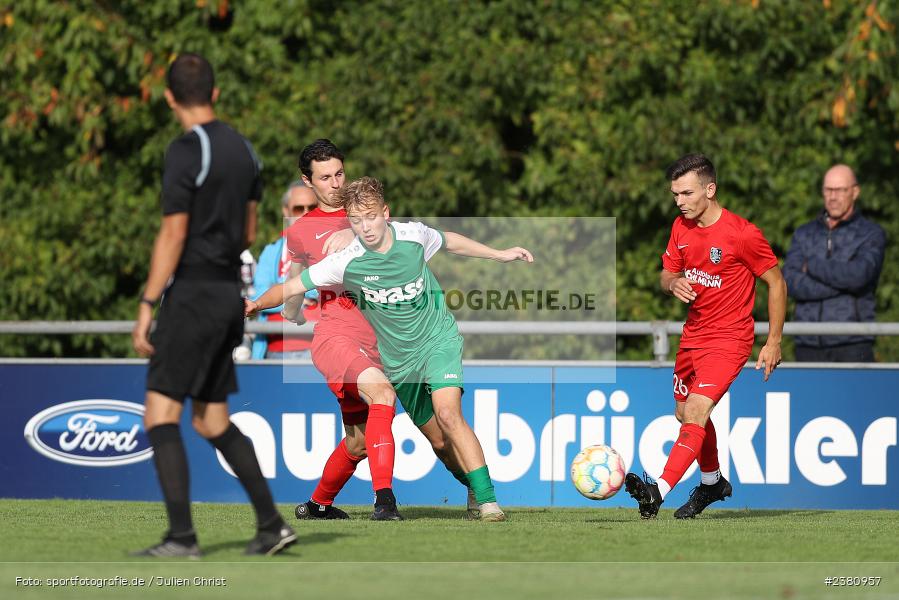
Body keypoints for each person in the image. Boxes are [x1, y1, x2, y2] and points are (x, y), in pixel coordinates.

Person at [247, 176, 535, 522]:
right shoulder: (347, 260)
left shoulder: (413, 236)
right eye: (356, 220)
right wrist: (254, 304)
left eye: (370, 217)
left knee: (448, 413)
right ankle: (471, 484)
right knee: (441, 445)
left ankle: (489, 503)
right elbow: (292, 285)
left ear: (386, 212)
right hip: (399, 363)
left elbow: (450, 241)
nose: (365, 227)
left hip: (437, 340)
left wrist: (499, 254)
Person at [130, 53, 296, 557]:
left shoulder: (186, 149)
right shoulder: (245, 151)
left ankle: (182, 538)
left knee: (159, 413)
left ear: (169, 97)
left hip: (195, 295)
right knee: (210, 420)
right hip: (229, 296)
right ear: (216, 94)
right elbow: (248, 230)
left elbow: (173, 231)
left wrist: (146, 303)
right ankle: (272, 526)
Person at [625, 153, 786, 519]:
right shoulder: (680, 228)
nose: (679, 202)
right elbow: (665, 274)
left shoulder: (742, 234)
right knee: (685, 413)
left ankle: (658, 490)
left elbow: (776, 281)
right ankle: (713, 482)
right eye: (675, 195)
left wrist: (773, 340)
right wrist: (673, 284)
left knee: (697, 409)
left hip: (730, 339)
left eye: (686, 193)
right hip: (693, 335)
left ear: (709, 189)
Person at [279, 140, 403, 521]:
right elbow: (297, 276)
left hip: (378, 338)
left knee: (359, 441)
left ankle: (318, 505)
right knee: (382, 394)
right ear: (308, 180)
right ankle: (384, 501)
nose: (335, 183)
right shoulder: (300, 231)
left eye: (339, 173)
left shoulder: (366, 214)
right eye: (325, 177)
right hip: (338, 338)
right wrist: (292, 309)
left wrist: (356, 233)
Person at [783, 164, 886, 362]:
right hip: (808, 344)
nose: (833, 196)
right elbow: (790, 282)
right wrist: (843, 285)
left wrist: (811, 266)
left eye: (840, 190)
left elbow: (859, 276)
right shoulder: (804, 233)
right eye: (828, 190)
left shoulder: (871, 234)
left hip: (853, 344)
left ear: (855, 192)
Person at [251, 181, 320, 360]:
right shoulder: (271, 251)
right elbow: (259, 294)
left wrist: (284, 291)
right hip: (276, 348)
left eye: (311, 208)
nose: (306, 214)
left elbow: (329, 291)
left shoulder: (330, 246)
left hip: (320, 348)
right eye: (298, 209)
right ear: (286, 211)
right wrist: (300, 296)